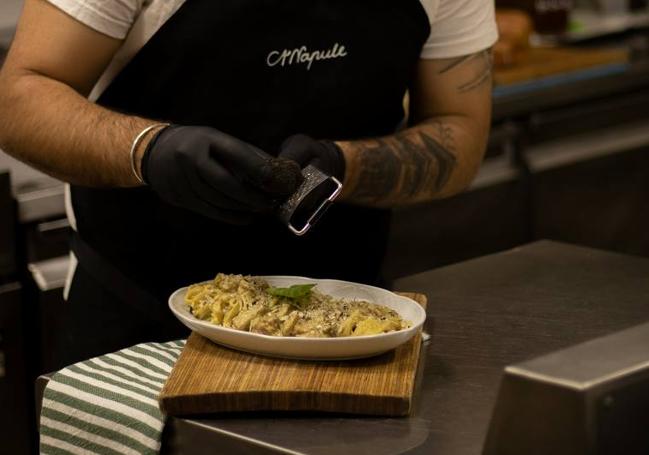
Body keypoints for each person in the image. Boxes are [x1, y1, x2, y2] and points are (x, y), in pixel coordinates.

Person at [0, 0, 497, 367]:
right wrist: (149, 150)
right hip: (138, 324)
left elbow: (462, 130)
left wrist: (344, 165)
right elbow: (18, 99)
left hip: (347, 325)